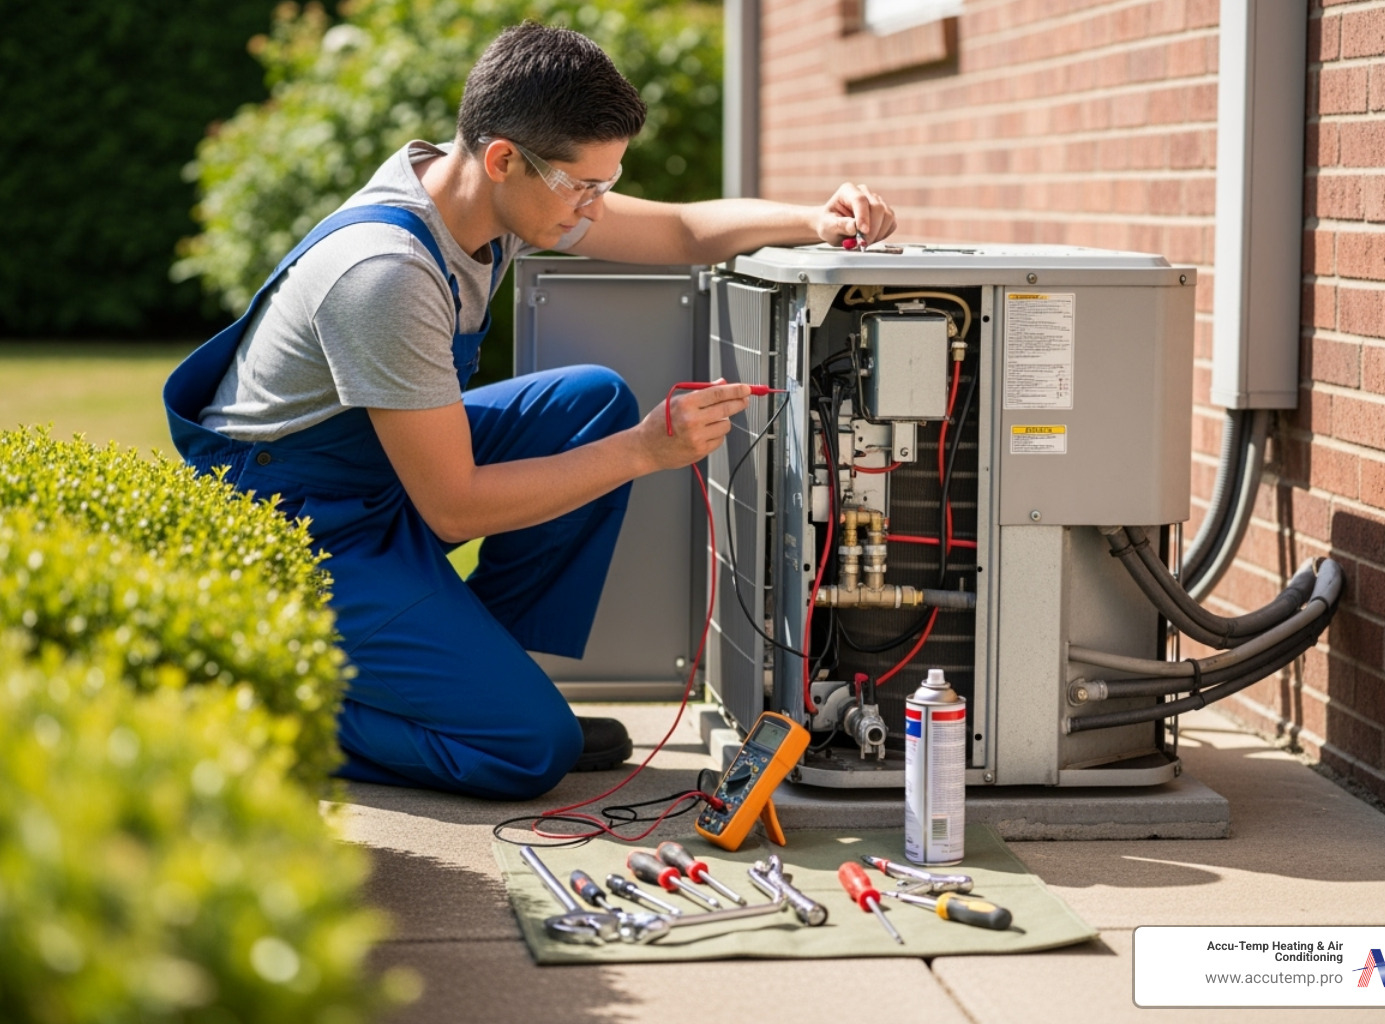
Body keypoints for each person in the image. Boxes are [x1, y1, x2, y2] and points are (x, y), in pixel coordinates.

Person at [165, 21, 897, 801]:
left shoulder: (486, 200)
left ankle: (477, 681)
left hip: (370, 478)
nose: (593, 208)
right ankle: (272, 706)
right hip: (296, 522)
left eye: (605, 186)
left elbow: (681, 230)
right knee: (527, 750)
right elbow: (453, 509)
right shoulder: (385, 275)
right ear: (503, 157)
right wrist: (646, 451)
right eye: (584, 186)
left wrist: (814, 219)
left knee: (591, 405)